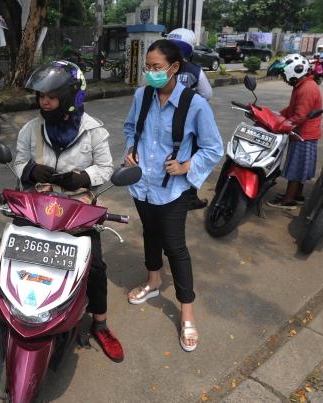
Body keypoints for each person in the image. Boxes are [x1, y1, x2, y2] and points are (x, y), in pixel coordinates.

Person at [0, 60, 124, 363]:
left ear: (71, 98)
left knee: (95, 268)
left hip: (77, 215)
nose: (44, 102)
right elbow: (17, 162)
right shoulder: (31, 130)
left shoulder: (93, 131)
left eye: (51, 97)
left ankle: (101, 325)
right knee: (6, 257)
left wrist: (84, 178)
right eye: (41, 96)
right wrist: (30, 171)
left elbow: (106, 168)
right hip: (36, 210)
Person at [123, 39, 223, 352]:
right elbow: (130, 128)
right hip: (142, 185)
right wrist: (130, 151)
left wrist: (187, 165)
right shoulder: (142, 95)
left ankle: (187, 312)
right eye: (147, 68)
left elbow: (213, 147)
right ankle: (153, 282)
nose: (150, 73)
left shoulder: (194, 104)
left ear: (174, 68)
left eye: (157, 68)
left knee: (175, 247)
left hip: (173, 190)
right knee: (150, 232)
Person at [265, 54, 323, 210]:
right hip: (305, 134)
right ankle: (297, 196)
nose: (283, 78)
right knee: (301, 167)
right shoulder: (303, 85)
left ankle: (289, 200)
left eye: (284, 75)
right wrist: (275, 114)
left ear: (293, 72)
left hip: (303, 134)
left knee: (296, 167)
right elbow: (292, 109)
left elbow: (299, 116)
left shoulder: (306, 89)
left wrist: (280, 125)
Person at [168, 28, 213, 210]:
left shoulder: (162, 68)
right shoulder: (195, 70)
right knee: (192, 158)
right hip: (189, 124)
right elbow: (207, 94)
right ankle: (190, 197)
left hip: (164, 122)